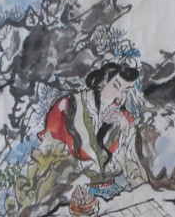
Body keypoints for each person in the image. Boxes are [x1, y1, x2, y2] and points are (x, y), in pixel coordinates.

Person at [37, 62, 143, 199]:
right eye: (116, 86)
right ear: (102, 82)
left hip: (116, 195)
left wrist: (124, 132)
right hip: (72, 195)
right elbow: (48, 160)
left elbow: (134, 167)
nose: (119, 98)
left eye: (126, 91)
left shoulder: (124, 119)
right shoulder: (67, 108)